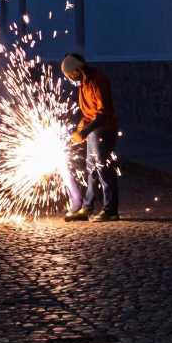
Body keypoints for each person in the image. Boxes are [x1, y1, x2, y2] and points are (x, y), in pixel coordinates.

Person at [61, 53, 120, 223]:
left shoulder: (97, 81)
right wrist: (81, 126)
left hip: (103, 129)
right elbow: (88, 112)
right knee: (91, 170)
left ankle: (110, 210)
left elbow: (102, 113)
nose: (71, 78)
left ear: (79, 69)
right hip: (94, 130)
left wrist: (85, 131)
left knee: (103, 169)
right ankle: (87, 208)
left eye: (71, 74)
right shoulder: (83, 84)